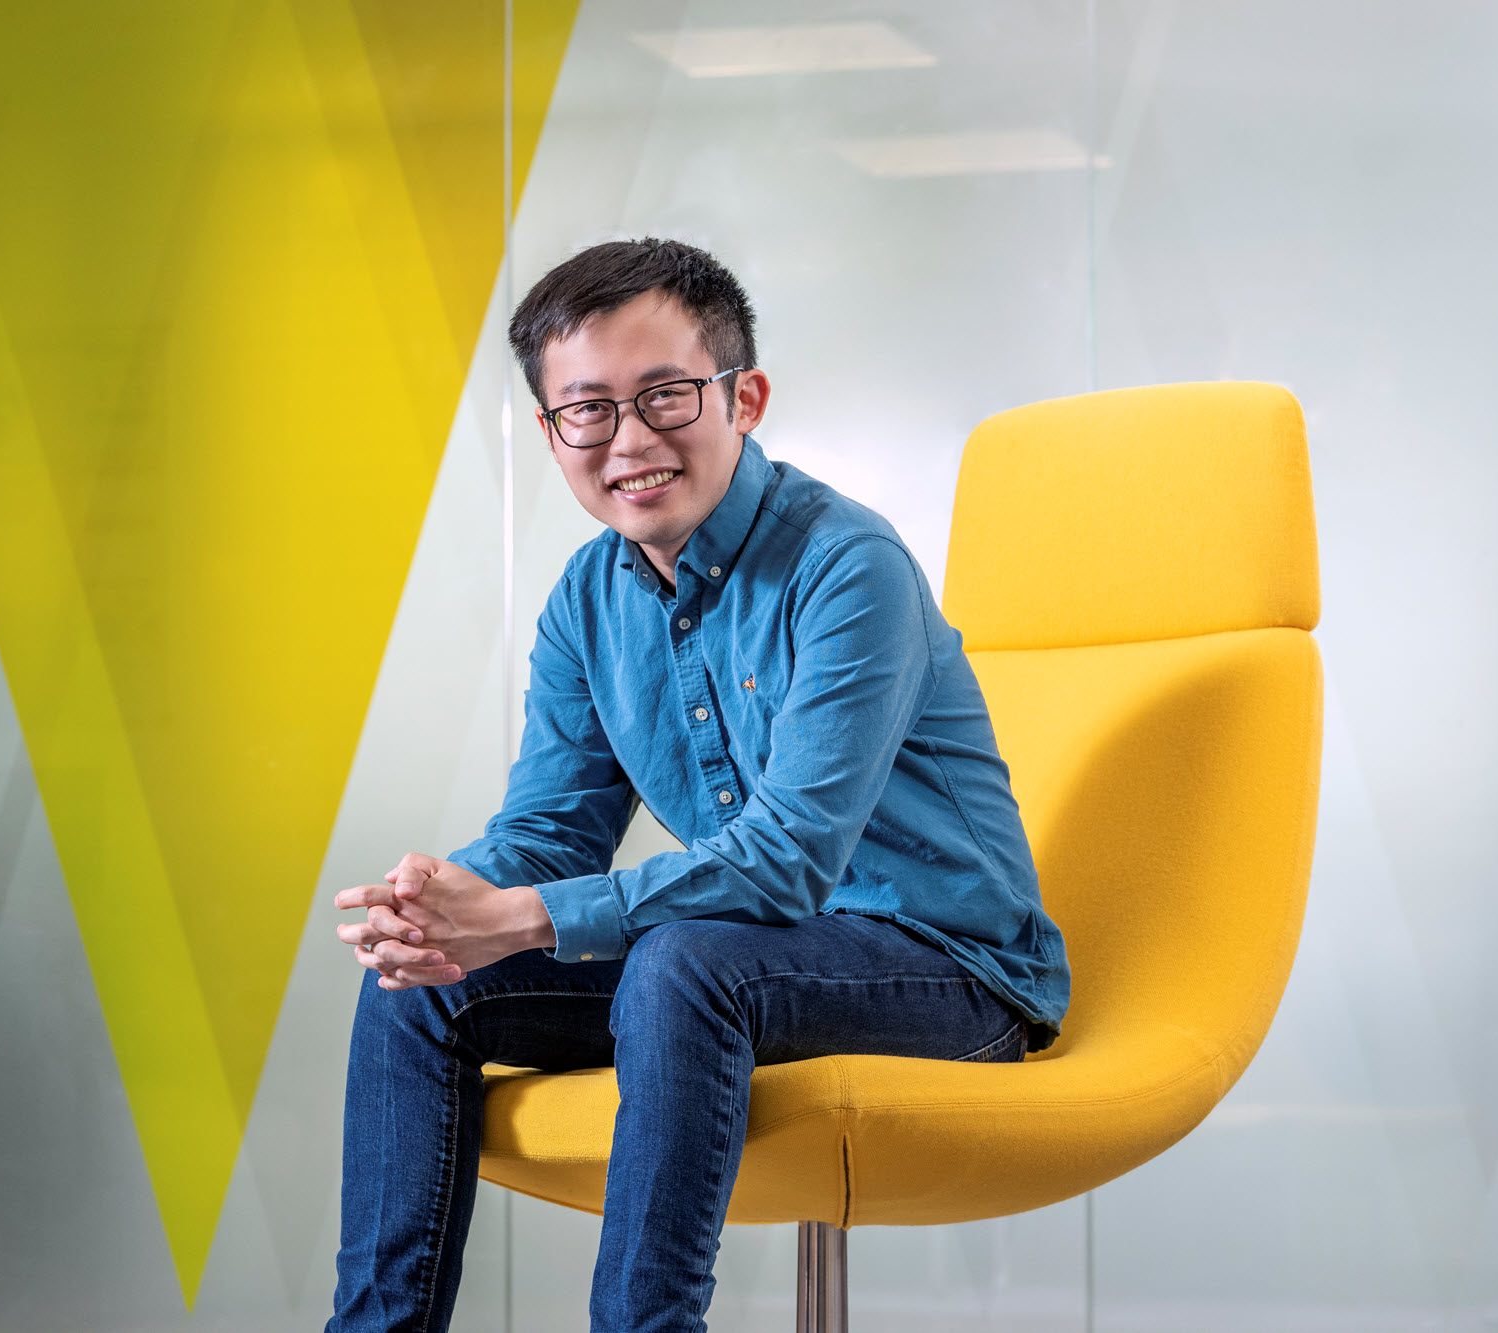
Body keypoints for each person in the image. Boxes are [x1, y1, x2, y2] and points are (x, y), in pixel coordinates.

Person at [325, 238, 1069, 1333]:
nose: (628, 440)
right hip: (742, 961)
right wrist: (443, 903)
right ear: (551, 431)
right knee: (427, 979)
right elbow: (550, 832)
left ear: (743, 397)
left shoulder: (846, 566)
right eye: (587, 410)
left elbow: (786, 859)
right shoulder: (586, 599)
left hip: (952, 975)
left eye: (664, 395)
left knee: (685, 963)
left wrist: (520, 919)